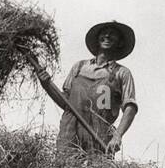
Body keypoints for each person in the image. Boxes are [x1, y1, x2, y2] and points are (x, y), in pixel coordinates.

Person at [55, 20, 138, 155]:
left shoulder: (122, 73)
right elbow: (65, 102)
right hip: (69, 132)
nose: (107, 36)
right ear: (97, 38)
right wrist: (45, 83)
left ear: (120, 42)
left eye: (113, 34)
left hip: (99, 135)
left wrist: (117, 135)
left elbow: (130, 107)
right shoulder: (79, 67)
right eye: (104, 33)